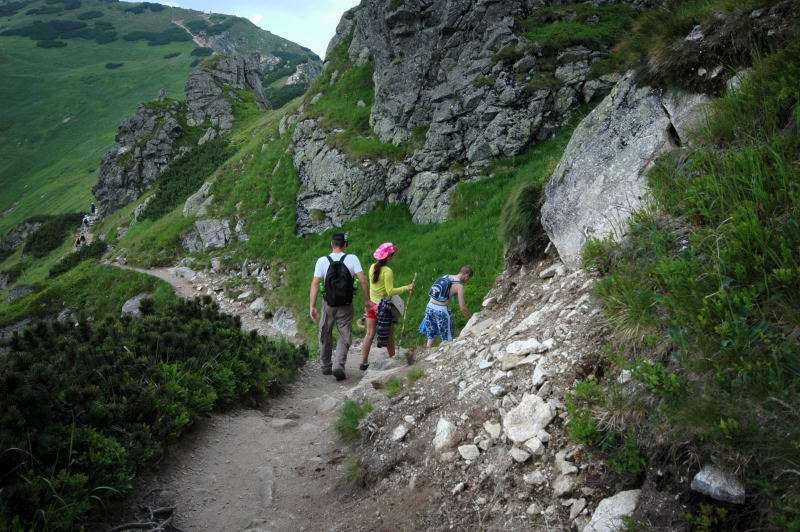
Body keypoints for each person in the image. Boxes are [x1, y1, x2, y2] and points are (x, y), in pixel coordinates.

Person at [309, 233, 369, 381]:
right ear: (345, 245)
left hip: (328, 304)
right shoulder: (352, 258)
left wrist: (312, 306)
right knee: (344, 334)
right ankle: (338, 365)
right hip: (346, 305)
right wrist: (367, 300)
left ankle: (326, 365)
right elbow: (363, 280)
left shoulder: (322, 260)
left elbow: (315, 284)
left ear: (332, 244)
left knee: (325, 332)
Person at [359, 242, 415, 371]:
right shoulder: (387, 271)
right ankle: (392, 359)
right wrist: (407, 287)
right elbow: (390, 291)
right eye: (392, 255)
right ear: (388, 257)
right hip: (383, 308)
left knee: (369, 333)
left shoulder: (372, 267)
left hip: (371, 305)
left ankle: (363, 362)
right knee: (389, 334)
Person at [419, 265, 473, 347]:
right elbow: (462, 307)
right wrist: (470, 319)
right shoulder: (459, 286)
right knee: (448, 340)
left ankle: (428, 350)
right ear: (466, 275)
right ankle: (447, 353)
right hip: (441, 311)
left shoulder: (446, 276)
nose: (467, 280)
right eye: (468, 278)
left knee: (431, 334)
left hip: (429, 307)